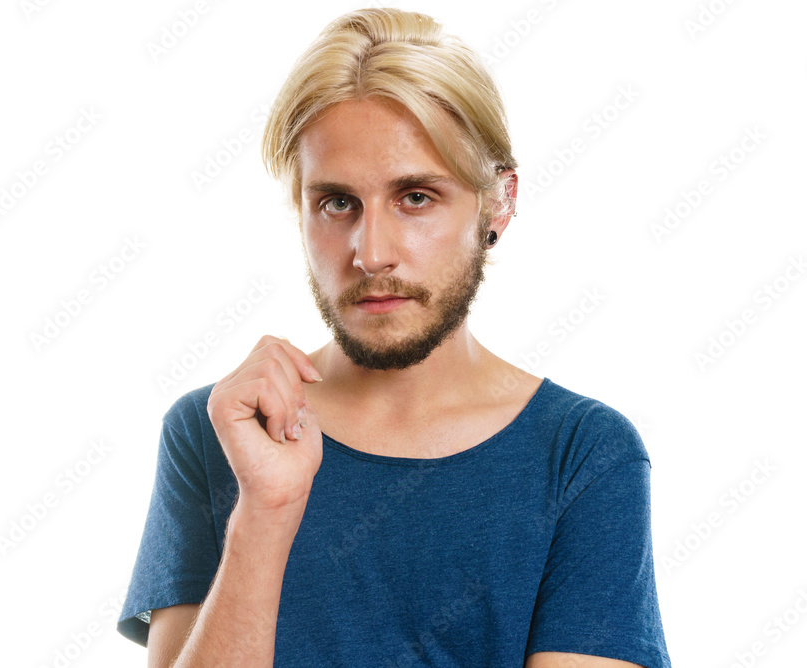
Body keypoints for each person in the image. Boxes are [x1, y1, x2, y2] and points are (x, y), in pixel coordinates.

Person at [118, 8, 671, 667]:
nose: (370, 252)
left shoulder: (583, 456)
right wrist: (264, 512)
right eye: (336, 202)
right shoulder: (219, 436)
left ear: (497, 204)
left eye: (414, 197)